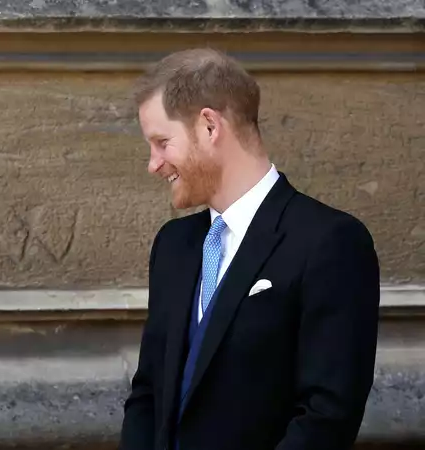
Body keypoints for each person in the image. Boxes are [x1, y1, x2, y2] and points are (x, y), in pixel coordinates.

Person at [119, 48, 380, 450]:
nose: (154, 164)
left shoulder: (330, 242)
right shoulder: (173, 246)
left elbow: (327, 415)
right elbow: (149, 393)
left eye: (162, 142)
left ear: (209, 126)